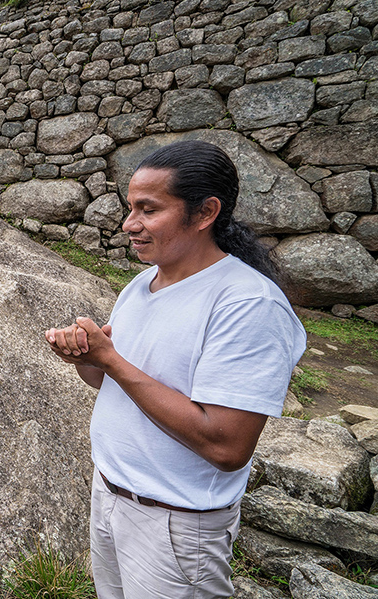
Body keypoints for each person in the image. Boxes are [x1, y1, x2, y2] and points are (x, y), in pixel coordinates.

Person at [44, 140, 306, 599]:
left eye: (149, 209)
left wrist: (112, 361)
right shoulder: (143, 284)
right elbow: (111, 381)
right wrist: (90, 359)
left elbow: (227, 445)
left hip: (176, 526)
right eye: (130, 208)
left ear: (205, 212)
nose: (130, 225)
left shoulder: (247, 304)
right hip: (109, 496)